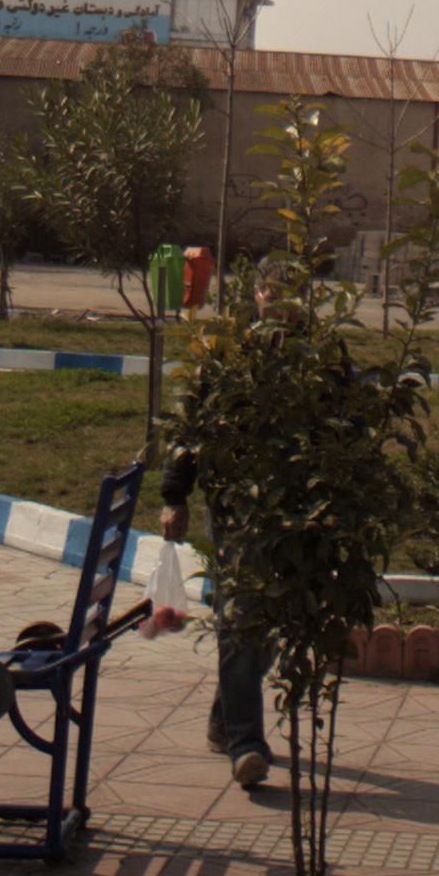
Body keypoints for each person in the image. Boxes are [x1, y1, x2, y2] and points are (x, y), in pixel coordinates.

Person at [159, 253, 287, 791]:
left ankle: (223, 717)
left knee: (272, 628)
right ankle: (245, 743)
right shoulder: (228, 354)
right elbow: (191, 422)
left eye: (291, 294)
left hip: (292, 516)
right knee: (238, 621)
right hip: (235, 511)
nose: (280, 304)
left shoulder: (318, 358)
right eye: (272, 292)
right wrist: (175, 494)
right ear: (256, 295)